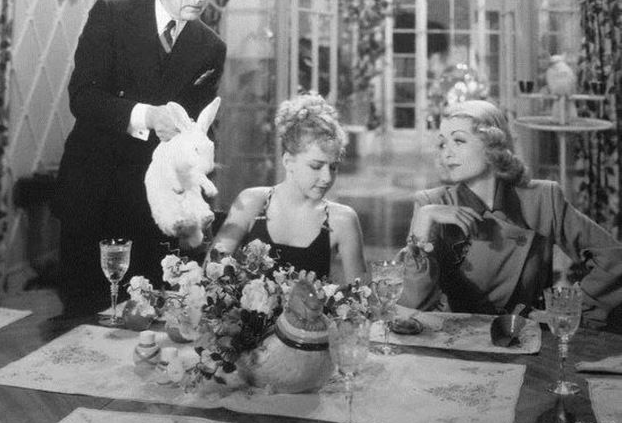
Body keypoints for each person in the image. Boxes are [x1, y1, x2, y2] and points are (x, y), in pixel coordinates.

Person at [53, 0, 227, 315]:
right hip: (94, 194)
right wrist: (147, 116)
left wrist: (197, 197)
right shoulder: (111, 15)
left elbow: (199, 131)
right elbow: (82, 97)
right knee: (80, 317)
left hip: (154, 208)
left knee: (145, 317)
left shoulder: (210, 47)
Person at [399, 100, 622, 329]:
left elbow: (613, 258)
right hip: (454, 340)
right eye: (442, 143)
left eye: (458, 140)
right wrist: (423, 223)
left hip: (523, 337)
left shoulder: (542, 198)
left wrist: (569, 311)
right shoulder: (431, 204)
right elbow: (410, 309)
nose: (447, 153)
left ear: (492, 145)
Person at [212, 93, 366, 284]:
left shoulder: (342, 220)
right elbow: (211, 274)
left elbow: (362, 296)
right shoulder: (252, 203)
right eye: (316, 166)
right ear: (288, 161)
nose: (327, 178)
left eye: (333, 167)